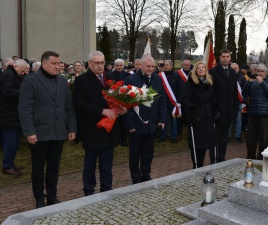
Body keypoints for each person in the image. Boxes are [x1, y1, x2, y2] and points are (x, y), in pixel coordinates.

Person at [18, 51, 77, 208]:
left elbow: (68, 107)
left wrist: (71, 127)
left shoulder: (62, 81)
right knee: (38, 167)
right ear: (44, 64)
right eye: (54, 64)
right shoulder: (31, 81)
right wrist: (29, 131)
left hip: (58, 132)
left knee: (54, 165)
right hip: (38, 133)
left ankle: (52, 196)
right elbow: (24, 108)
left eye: (59, 64)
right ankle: (39, 198)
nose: (58, 66)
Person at [73, 51, 121, 196]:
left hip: (109, 128)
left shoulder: (112, 77)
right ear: (89, 64)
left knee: (107, 164)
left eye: (102, 63)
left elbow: (118, 98)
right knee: (90, 164)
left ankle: (106, 189)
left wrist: (121, 108)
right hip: (92, 128)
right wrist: (102, 111)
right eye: (97, 63)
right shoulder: (82, 80)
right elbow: (79, 104)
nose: (100, 66)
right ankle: (89, 190)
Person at [123, 55, 166, 184]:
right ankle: (136, 178)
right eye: (148, 66)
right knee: (135, 154)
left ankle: (146, 175)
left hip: (152, 124)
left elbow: (162, 100)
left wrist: (162, 120)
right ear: (140, 65)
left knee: (148, 153)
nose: (151, 69)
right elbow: (124, 104)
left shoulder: (157, 79)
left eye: (153, 66)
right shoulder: (131, 79)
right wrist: (130, 125)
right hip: (136, 125)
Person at [182, 61, 219, 168]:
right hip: (197, 115)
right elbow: (185, 99)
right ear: (195, 70)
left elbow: (213, 98)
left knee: (206, 142)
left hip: (208, 115)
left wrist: (216, 111)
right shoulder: (190, 83)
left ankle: (203, 164)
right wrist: (193, 114)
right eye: (199, 68)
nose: (201, 69)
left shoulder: (209, 82)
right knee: (197, 143)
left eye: (203, 67)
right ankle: (196, 165)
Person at [209, 48, 239, 162]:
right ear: (220, 58)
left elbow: (234, 91)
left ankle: (221, 158)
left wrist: (236, 108)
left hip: (229, 111)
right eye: (223, 57)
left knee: (225, 138)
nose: (225, 59)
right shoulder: (213, 72)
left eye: (227, 57)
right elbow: (212, 93)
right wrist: (215, 109)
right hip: (218, 111)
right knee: (216, 137)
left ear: (230, 58)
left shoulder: (232, 72)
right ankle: (214, 159)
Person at [242, 63, 268, 160]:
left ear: (265, 73)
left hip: (265, 114)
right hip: (253, 113)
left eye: (262, 72)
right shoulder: (253, 82)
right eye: (258, 71)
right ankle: (250, 157)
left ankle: (261, 158)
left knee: (264, 138)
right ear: (256, 72)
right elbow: (244, 93)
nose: (260, 73)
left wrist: (262, 82)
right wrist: (249, 82)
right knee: (250, 138)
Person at [0, 59, 28, 176]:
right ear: (17, 66)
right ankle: (7, 166)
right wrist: (24, 91)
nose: (25, 73)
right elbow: (7, 93)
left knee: (15, 143)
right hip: (8, 116)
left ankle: (10, 162)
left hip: (14, 116)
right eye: (23, 70)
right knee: (10, 143)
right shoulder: (8, 76)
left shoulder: (14, 75)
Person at [158, 60, 184, 143]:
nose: (165, 66)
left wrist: (179, 102)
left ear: (171, 66)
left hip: (173, 102)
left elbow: (181, 89)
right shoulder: (160, 76)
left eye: (167, 65)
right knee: (162, 119)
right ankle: (162, 136)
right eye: (164, 65)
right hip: (162, 102)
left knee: (173, 120)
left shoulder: (176, 76)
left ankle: (174, 137)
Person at [229, 63, 246, 143]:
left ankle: (237, 136)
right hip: (228, 102)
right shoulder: (226, 76)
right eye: (233, 68)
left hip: (238, 102)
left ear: (239, 69)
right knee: (228, 119)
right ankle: (227, 136)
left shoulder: (242, 78)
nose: (234, 70)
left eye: (236, 68)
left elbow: (245, 90)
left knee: (238, 119)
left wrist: (243, 101)